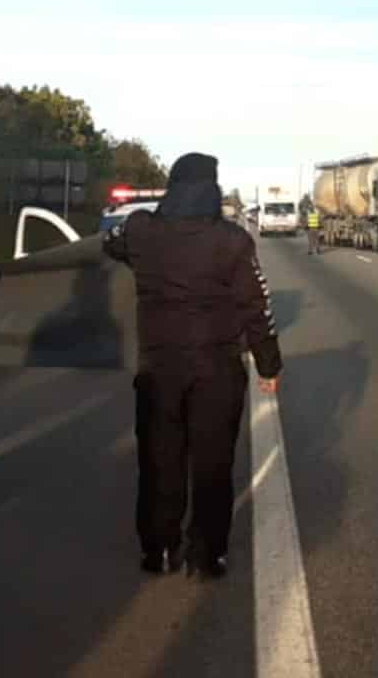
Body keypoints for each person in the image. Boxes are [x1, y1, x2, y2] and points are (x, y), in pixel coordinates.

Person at [105, 153, 282, 577]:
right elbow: (255, 307)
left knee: (159, 459)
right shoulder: (232, 240)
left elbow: (111, 248)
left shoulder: (142, 229)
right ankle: (207, 554)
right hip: (217, 368)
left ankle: (159, 549)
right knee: (213, 463)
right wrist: (268, 365)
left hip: (158, 368)